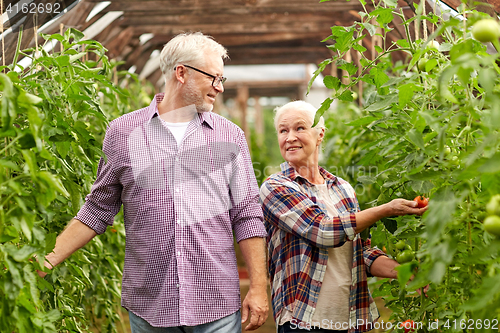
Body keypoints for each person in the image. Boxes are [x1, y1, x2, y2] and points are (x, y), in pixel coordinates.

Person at [38, 32, 269, 332]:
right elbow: (96, 210)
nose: (220, 87)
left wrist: (259, 288)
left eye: (221, 79)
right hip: (150, 306)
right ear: (181, 73)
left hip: (216, 304)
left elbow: (247, 215)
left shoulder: (229, 136)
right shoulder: (123, 133)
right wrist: (44, 262)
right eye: (214, 78)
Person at [259, 101, 427, 333]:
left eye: (300, 128)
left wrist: (404, 273)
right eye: (283, 130)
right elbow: (322, 231)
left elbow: (360, 252)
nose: (290, 137)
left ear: (320, 135)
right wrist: (385, 210)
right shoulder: (275, 187)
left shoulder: (343, 189)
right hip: (303, 320)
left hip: (349, 319)